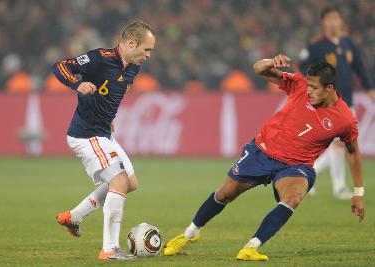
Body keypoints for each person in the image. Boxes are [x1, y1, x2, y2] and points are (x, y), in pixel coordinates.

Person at [163, 55, 365, 261]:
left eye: (314, 87)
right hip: (263, 151)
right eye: (308, 85)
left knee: (292, 198)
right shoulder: (298, 85)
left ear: (329, 88)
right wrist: (270, 62)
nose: (309, 91)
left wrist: (358, 192)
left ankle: (252, 246)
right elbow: (259, 69)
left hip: (296, 165)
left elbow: (352, 151)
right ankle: (190, 233)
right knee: (225, 194)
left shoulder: (344, 119)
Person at [52, 21, 156, 260]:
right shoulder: (100, 58)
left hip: (103, 132)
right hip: (87, 135)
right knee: (118, 181)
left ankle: (74, 217)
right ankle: (109, 249)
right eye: (147, 49)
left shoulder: (132, 67)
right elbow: (60, 66)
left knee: (130, 182)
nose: (148, 55)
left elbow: (110, 93)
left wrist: (107, 117)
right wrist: (77, 83)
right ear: (131, 43)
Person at [299, 6, 375, 199]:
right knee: (340, 145)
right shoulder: (317, 45)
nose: (333, 22)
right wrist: (312, 91)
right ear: (323, 22)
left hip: (347, 101)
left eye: (336, 18)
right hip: (327, 103)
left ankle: (307, 174)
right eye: (330, 18)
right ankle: (338, 187)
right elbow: (301, 67)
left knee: (339, 145)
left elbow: (359, 68)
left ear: (341, 21)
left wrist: (370, 89)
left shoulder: (348, 43)